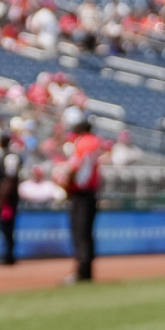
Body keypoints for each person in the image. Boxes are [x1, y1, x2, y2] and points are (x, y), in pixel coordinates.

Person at [59, 109, 103, 283]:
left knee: (80, 233)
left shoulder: (83, 143)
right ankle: (87, 271)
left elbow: (74, 167)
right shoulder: (95, 142)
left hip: (81, 193)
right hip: (91, 192)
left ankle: (81, 272)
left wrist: (66, 185)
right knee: (87, 234)